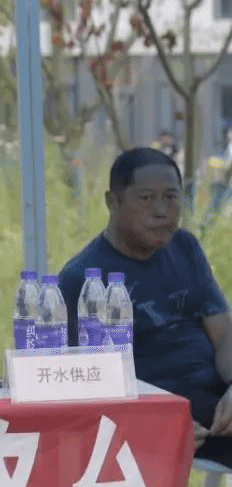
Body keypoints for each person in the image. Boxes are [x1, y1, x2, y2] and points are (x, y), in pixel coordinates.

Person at [58, 147, 232, 465]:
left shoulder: (185, 247)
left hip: (216, 402)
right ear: (112, 202)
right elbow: (78, 384)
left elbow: (223, 334)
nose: (162, 211)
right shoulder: (82, 278)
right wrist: (147, 425)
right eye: (147, 198)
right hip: (152, 413)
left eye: (171, 197)